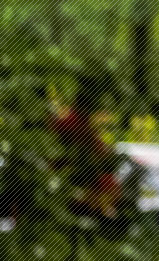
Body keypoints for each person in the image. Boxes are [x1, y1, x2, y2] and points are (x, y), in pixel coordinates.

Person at [51, 78, 122, 217]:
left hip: (70, 174)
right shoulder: (75, 122)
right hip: (69, 175)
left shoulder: (70, 119)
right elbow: (96, 149)